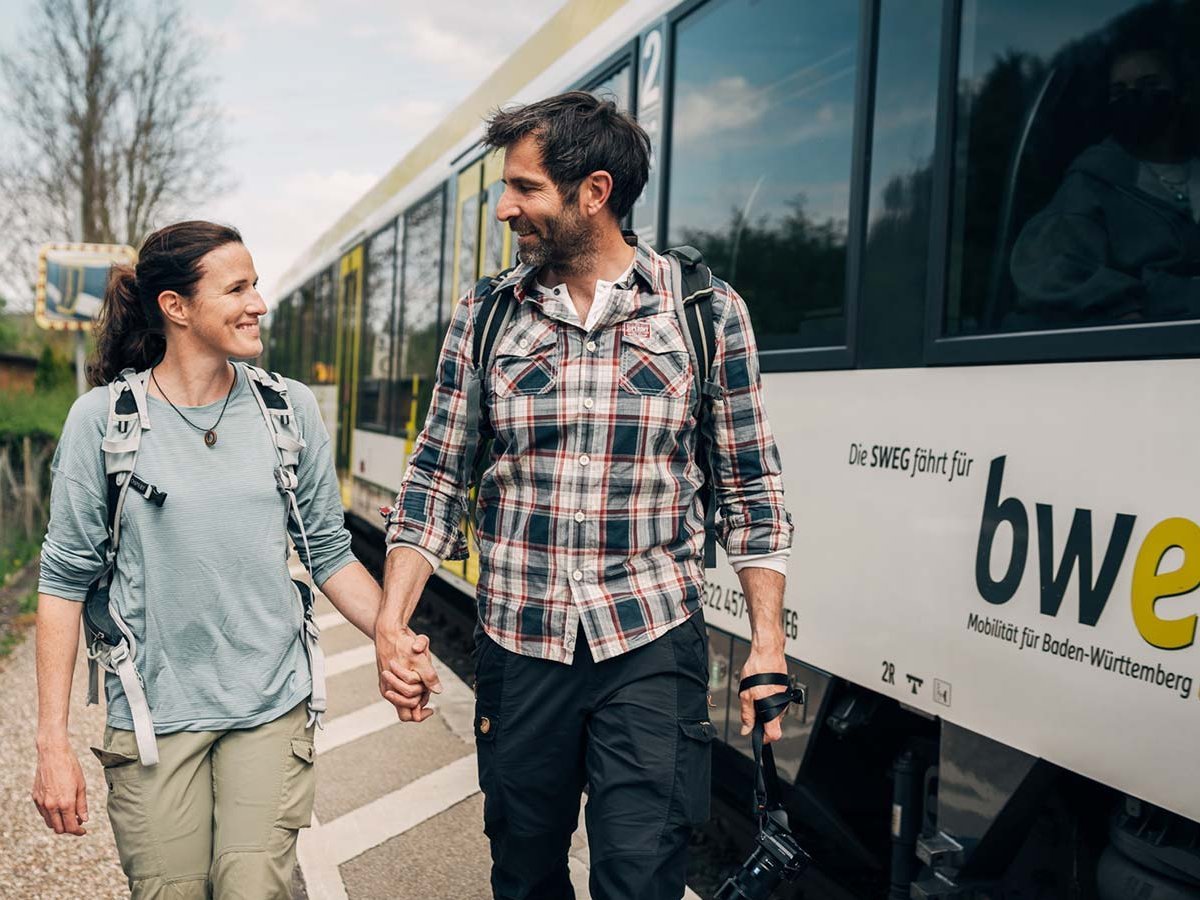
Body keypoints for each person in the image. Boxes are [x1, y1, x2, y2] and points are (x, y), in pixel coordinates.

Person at [375, 92, 794, 899]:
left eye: (525, 188)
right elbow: (435, 475)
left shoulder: (704, 313)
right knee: (525, 874)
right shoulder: (488, 315)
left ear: (593, 193)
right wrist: (393, 624)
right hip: (520, 642)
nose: (505, 209)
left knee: (641, 877)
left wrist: (766, 643)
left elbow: (750, 487)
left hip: (649, 640)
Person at [31, 221, 405, 899]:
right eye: (237, 287)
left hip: (269, 705)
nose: (259, 302)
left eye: (256, 284)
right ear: (176, 306)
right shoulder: (103, 421)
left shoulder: (286, 412)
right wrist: (52, 745)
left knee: (252, 887)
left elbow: (328, 551)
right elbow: (61, 583)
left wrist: (392, 636)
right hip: (152, 717)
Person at [1010, 39, 1200, 324]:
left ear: (1181, 94)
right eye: (1119, 90)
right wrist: (1122, 309)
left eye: (1149, 83)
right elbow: (1050, 267)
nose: (1134, 96)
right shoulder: (1091, 182)